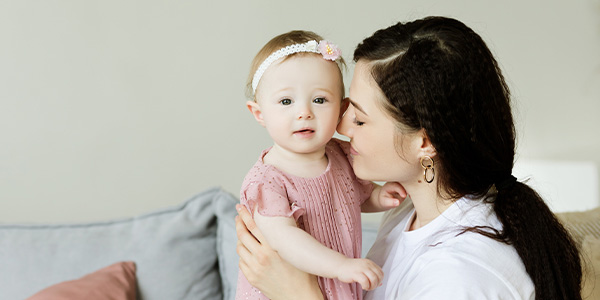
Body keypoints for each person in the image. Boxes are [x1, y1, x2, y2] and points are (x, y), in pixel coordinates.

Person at [235, 17, 582, 300]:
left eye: (358, 117)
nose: (340, 127)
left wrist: (298, 294)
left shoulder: (458, 280)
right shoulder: (408, 210)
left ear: (425, 142)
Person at [237, 30, 406, 300]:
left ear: (341, 109)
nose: (304, 112)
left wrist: (377, 195)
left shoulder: (341, 155)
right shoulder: (267, 181)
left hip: (334, 286)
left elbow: (352, 197)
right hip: (283, 290)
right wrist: (340, 266)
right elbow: (284, 240)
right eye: (286, 101)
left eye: (319, 100)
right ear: (259, 113)